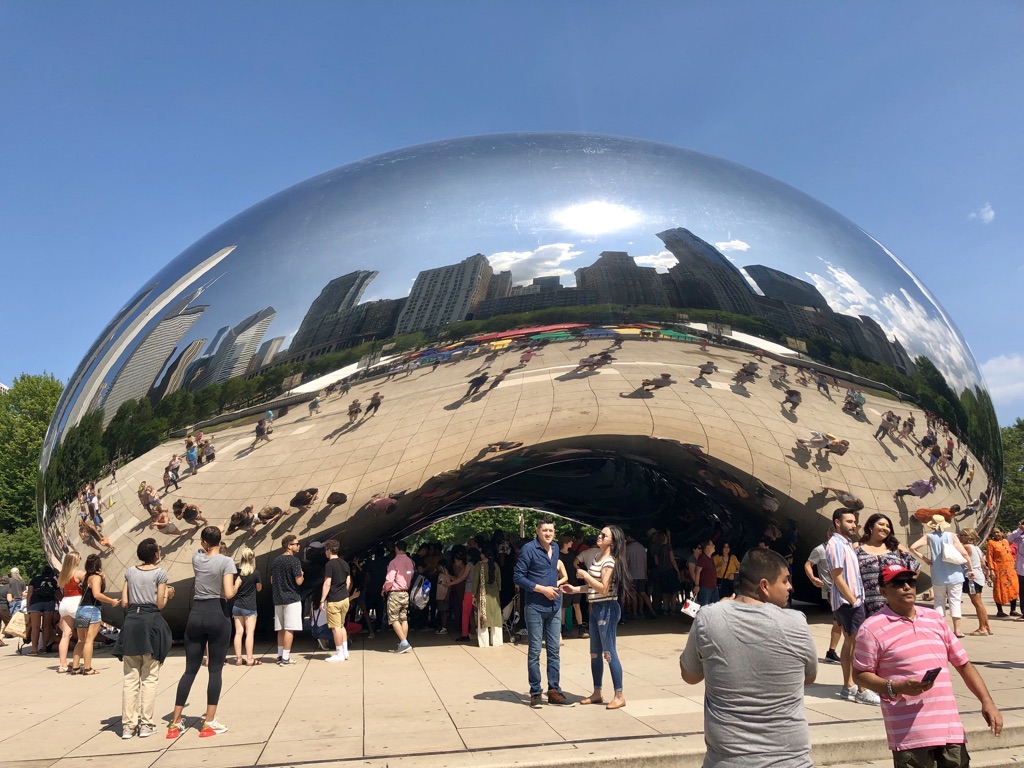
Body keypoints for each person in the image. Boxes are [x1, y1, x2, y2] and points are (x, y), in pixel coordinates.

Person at [853, 563, 1003, 767]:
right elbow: (860, 674)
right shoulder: (871, 629)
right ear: (883, 591)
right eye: (898, 583)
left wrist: (987, 701)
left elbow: (964, 664)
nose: (907, 587)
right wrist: (896, 687)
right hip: (909, 735)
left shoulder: (935, 619)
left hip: (950, 730)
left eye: (911, 582)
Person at [680, 548, 817, 768]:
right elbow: (808, 677)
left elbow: (689, 675)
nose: (791, 587)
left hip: (729, 761)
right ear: (764, 586)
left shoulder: (709, 617)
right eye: (785, 580)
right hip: (791, 761)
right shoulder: (797, 622)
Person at [167, 527, 238, 738]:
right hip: (218, 612)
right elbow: (228, 592)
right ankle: (208, 722)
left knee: (190, 670)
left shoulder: (197, 559)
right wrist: (238, 583)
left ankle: (175, 722)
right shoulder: (226, 562)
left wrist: (213, 534)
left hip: (197, 613)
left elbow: (202, 548)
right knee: (215, 670)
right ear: (220, 541)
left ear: (204, 542)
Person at [561, 525, 633, 710]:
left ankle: (619, 694)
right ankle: (597, 691)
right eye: (600, 534)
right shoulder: (596, 557)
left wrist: (584, 574)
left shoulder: (609, 561)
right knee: (595, 653)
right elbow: (594, 588)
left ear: (613, 541)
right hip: (596, 608)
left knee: (609, 652)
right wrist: (575, 589)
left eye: (604, 535)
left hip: (607, 608)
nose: (599, 536)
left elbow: (603, 588)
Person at [116, 538, 174, 739]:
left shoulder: (130, 572)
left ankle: (127, 725)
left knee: (130, 678)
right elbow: (160, 603)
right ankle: (146, 723)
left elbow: (124, 601)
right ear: (156, 554)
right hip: (150, 623)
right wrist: (168, 594)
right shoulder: (160, 573)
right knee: (149, 677)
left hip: (132, 622)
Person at [824, 508, 880, 705]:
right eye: (849, 521)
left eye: (854, 521)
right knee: (857, 645)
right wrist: (853, 599)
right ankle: (860, 689)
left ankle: (849, 686)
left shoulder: (846, 543)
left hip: (851, 601)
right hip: (849, 602)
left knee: (851, 642)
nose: (853, 525)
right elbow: (837, 576)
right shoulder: (836, 545)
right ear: (837, 522)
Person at [514, 517, 572, 707]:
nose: (548, 534)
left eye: (551, 531)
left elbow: (554, 575)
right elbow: (518, 577)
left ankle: (554, 690)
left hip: (554, 606)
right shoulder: (529, 549)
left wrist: (554, 587)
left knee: (554, 650)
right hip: (535, 607)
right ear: (537, 531)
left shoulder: (555, 548)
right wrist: (541, 589)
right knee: (535, 651)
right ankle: (536, 692)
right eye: (545, 530)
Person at [909, 515, 969, 638]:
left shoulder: (929, 537)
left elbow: (912, 547)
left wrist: (924, 558)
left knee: (939, 601)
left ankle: (941, 629)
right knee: (955, 601)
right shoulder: (951, 536)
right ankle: (957, 630)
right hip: (954, 574)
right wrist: (970, 567)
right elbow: (963, 552)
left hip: (937, 573)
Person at [856, 513, 919, 617]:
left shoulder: (896, 548)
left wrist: (903, 585)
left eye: (888, 526)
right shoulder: (858, 549)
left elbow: (915, 566)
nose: (885, 528)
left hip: (896, 604)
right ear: (871, 526)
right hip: (868, 604)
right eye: (881, 524)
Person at [71, 554, 122, 675]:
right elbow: (97, 594)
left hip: (81, 609)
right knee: (89, 640)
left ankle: (75, 667)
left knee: (80, 640)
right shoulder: (96, 578)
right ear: (99, 565)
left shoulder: (86, 577)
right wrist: (112, 601)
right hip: (92, 610)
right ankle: (88, 668)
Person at [805, 541, 842, 664]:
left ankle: (832, 652)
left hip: (845, 589)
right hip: (832, 590)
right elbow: (808, 564)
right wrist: (812, 578)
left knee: (839, 622)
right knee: (842, 621)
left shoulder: (844, 547)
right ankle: (833, 653)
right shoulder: (820, 550)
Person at [271, 534, 305, 665]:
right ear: (289, 546)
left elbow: (272, 580)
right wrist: (302, 575)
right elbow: (299, 581)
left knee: (281, 629)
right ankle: (286, 657)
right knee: (290, 628)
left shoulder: (276, 560)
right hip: (292, 597)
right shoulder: (294, 561)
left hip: (278, 598)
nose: (298, 546)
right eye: (297, 544)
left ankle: (280, 655)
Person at [320, 539, 351, 662]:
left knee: (335, 627)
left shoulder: (329, 565)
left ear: (328, 550)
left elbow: (327, 583)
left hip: (334, 599)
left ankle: (339, 653)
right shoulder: (345, 563)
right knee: (342, 625)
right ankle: (345, 651)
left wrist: (322, 600)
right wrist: (345, 592)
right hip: (344, 598)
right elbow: (348, 581)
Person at [382, 539, 415, 654]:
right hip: (405, 591)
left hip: (395, 592)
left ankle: (404, 643)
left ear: (396, 548)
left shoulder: (393, 562)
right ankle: (403, 643)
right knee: (403, 618)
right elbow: (410, 576)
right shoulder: (410, 561)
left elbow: (390, 579)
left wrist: (384, 589)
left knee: (393, 618)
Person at [231, 545, 262, 666]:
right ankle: (249, 658)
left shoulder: (237, 573)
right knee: (250, 633)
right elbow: (259, 589)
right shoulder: (256, 573)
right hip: (250, 606)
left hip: (237, 605)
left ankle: (238, 658)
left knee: (238, 632)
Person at [56, 551, 86, 672]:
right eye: (79, 558)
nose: (80, 559)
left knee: (65, 635)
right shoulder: (79, 573)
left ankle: (62, 664)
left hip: (65, 604)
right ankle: (77, 662)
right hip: (77, 603)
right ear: (75, 560)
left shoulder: (63, 574)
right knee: (83, 637)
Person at [958, 529, 992, 635]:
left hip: (971, 577)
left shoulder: (966, 547)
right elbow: (982, 562)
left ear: (968, 537)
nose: (959, 537)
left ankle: (982, 627)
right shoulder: (977, 548)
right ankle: (986, 626)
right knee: (979, 603)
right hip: (978, 576)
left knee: (977, 603)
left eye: (962, 535)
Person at [24, 565, 59, 655]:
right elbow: (58, 594)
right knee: (46, 626)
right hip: (49, 602)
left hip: (35, 603)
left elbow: (30, 594)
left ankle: (34, 649)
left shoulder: (35, 579)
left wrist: (28, 607)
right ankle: (44, 648)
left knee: (35, 627)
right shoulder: (53, 581)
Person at [472, 544, 503, 647]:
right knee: (496, 617)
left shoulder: (479, 565)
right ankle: (497, 642)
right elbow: (499, 580)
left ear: (483, 555)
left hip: (483, 593)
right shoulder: (495, 565)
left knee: (483, 618)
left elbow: (475, 581)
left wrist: (473, 595)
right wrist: (498, 590)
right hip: (494, 593)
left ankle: (484, 643)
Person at [985, 527, 1019, 617]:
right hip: (999, 569)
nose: (996, 534)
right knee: (998, 589)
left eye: (998, 532)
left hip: (1010, 569)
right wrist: (991, 570)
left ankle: (1013, 610)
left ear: (1002, 532)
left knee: (1014, 589)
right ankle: (1000, 611)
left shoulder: (1006, 541)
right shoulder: (991, 543)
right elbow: (989, 557)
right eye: (994, 533)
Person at [1006, 519, 1024, 619]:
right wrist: (1019, 530)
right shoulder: (1020, 536)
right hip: (1021, 569)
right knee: (1022, 592)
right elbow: (1010, 538)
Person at [693, 540, 720, 605]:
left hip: (713, 587)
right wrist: (697, 585)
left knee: (716, 606)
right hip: (705, 587)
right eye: (712, 545)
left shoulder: (711, 558)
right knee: (705, 607)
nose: (714, 546)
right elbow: (697, 571)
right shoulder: (702, 557)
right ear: (707, 547)